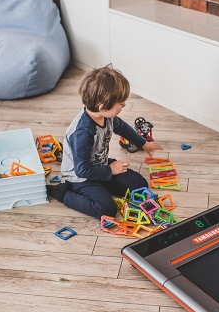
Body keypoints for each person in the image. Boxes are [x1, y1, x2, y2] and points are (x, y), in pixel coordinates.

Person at [47, 65, 163, 219]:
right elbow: (82, 170)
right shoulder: (83, 133)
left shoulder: (107, 116)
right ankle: (61, 192)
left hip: (99, 166)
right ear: (103, 107)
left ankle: (102, 185)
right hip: (80, 177)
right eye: (121, 104)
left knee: (140, 185)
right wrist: (110, 170)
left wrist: (143, 143)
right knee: (107, 209)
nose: (124, 105)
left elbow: (124, 129)